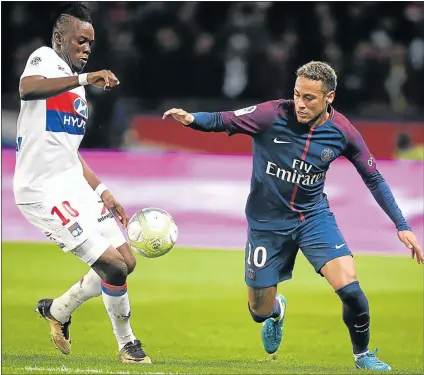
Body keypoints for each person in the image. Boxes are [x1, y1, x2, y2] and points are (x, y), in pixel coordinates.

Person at [163, 61, 424, 371]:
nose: (300, 104)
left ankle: (363, 355)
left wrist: (402, 225)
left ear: (330, 97)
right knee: (258, 311)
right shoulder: (271, 114)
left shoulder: (343, 132)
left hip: (313, 218)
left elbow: (374, 178)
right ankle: (276, 311)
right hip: (266, 224)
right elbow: (224, 120)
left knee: (351, 289)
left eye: (309, 98)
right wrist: (192, 119)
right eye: (297, 94)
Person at [14, 3, 151, 364]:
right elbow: (27, 89)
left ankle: (58, 310)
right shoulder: (44, 60)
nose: (86, 49)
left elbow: (70, 152)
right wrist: (84, 79)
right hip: (41, 191)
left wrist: (103, 190)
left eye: (90, 43)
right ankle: (128, 344)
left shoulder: (77, 92)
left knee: (126, 262)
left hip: (73, 184)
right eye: (80, 41)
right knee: (113, 268)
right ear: (59, 39)